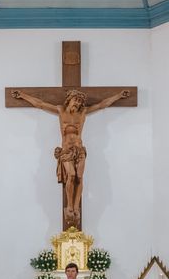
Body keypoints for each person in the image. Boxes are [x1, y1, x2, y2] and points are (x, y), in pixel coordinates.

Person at [11, 88, 130, 227]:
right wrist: (23, 95)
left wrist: (118, 96)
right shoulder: (61, 111)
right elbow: (40, 104)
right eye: (76, 100)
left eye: (80, 101)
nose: (78, 103)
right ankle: (69, 206)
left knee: (79, 177)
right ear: (69, 100)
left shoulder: (82, 113)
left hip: (79, 150)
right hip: (66, 151)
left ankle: (75, 207)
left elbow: (101, 105)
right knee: (71, 176)